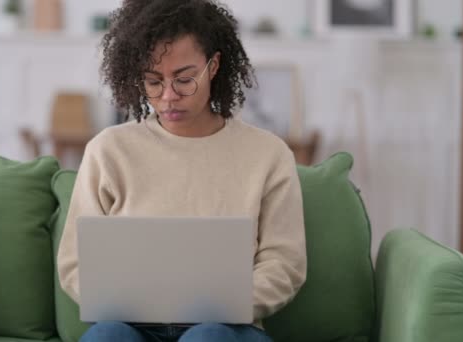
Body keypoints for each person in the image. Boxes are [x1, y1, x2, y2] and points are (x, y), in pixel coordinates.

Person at [57, 0, 307, 341]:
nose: (168, 96)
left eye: (184, 79)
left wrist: (226, 304)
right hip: (131, 324)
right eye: (154, 82)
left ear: (214, 65)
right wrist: (134, 302)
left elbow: (285, 264)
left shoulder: (268, 155)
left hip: (226, 327)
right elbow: (75, 263)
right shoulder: (108, 151)